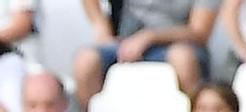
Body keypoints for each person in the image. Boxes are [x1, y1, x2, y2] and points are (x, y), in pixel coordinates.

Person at [75, 0, 217, 104]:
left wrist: (150, 37)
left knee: (183, 59)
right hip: (124, 42)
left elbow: (199, 32)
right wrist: (102, 28)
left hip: (177, 43)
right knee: (86, 61)